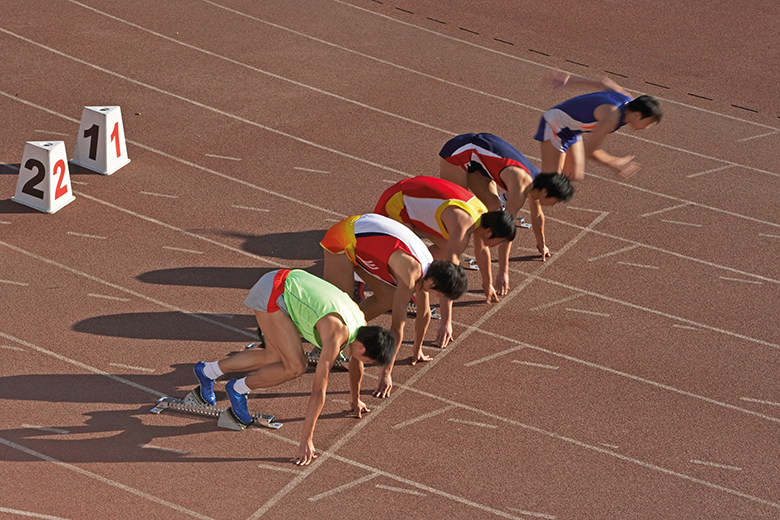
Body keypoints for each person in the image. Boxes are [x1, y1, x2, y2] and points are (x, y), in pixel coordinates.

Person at [191, 268, 395, 466]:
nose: (366, 364)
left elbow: (356, 363)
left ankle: (208, 371)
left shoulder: (361, 323)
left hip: (286, 283)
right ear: (361, 347)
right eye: (370, 361)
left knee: (273, 354)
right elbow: (318, 392)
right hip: (274, 290)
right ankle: (237, 389)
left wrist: (355, 399)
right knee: (296, 366)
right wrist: (306, 440)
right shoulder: (336, 335)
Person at [320, 213, 468, 398]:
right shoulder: (411, 274)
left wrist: (417, 351)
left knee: (388, 297)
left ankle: (347, 329)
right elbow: (397, 328)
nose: (437, 297)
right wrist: (386, 374)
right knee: (340, 308)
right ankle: (326, 340)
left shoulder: (428, 266)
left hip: (359, 232)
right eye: (440, 294)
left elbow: (424, 313)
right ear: (436, 286)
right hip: (341, 240)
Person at [374, 175, 515, 347]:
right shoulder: (462, 229)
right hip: (395, 203)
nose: (497, 246)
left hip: (408, 197)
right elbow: (448, 276)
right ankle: (388, 284)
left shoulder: (482, 216)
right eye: (499, 242)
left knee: (443, 247)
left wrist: (488, 283)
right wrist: (445, 322)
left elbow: (482, 249)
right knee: (412, 259)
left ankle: (413, 277)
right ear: (490, 233)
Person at [439, 133, 575, 293]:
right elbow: (507, 232)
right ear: (545, 192)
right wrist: (502, 273)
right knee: (460, 215)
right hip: (458, 153)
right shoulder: (520, 188)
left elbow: (537, 215)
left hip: (478, 162)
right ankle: (445, 255)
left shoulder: (538, 181)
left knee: (493, 207)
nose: (553, 205)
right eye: (556, 201)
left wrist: (542, 244)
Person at [535, 71, 663, 181]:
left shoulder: (629, 100)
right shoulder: (611, 117)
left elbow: (604, 82)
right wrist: (615, 162)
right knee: (552, 183)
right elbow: (590, 151)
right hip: (556, 125)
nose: (647, 128)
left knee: (573, 175)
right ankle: (527, 180)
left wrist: (568, 81)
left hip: (571, 129)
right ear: (638, 115)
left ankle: (540, 177)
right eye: (648, 123)